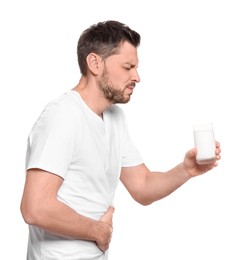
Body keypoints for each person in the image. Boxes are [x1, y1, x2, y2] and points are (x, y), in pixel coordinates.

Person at [20, 20, 221, 260]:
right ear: (95, 63)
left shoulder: (115, 118)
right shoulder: (62, 117)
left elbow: (142, 186)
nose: (137, 77)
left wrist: (187, 170)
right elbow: (35, 207)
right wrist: (98, 231)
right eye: (128, 67)